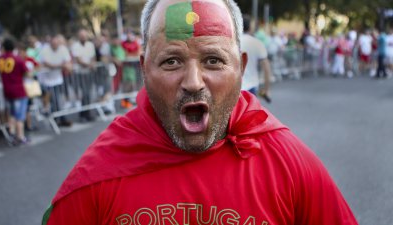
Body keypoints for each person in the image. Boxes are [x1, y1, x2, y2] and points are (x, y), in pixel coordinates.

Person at [43, 0, 359, 224]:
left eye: (213, 61)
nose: (193, 83)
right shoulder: (96, 176)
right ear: (144, 70)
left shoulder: (290, 164)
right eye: (171, 62)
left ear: (241, 68)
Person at [0, 38, 30, 145]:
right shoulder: (17, 59)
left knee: (11, 113)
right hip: (18, 90)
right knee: (19, 115)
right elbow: (27, 72)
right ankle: (20, 137)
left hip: (7, 90)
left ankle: (11, 134)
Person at [38, 35, 73, 127]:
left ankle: (59, 118)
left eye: (56, 44)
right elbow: (46, 63)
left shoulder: (62, 49)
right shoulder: (45, 50)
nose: (55, 46)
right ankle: (57, 118)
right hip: (47, 81)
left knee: (58, 99)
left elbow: (67, 62)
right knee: (54, 100)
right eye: (53, 44)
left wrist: (62, 65)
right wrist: (60, 66)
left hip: (58, 79)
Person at [241, 15, 272, 103]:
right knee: (249, 115)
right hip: (250, 86)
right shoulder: (257, 43)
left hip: (232, 88)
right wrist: (267, 89)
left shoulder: (232, 42)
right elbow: (266, 68)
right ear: (250, 27)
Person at [71, 29, 97, 122]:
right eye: (81, 36)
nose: (83, 37)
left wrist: (92, 63)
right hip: (80, 73)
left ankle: (87, 113)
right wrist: (89, 65)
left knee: (88, 93)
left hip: (88, 72)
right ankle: (83, 114)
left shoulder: (90, 45)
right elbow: (78, 60)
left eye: (84, 36)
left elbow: (93, 57)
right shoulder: (75, 46)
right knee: (84, 93)